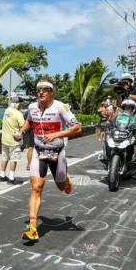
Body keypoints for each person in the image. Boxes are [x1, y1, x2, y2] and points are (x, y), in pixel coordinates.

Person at [19, 81, 82, 241]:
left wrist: (56, 135)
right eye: (38, 90)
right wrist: (21, 132)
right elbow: (28, 123)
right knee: (36, 187)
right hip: (39, 152)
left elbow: (77, 128)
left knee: (61, 187)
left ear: (52, 93)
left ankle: (66, 181)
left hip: (57, 152)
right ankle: (33, 228)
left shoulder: (61, 107)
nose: (41, 92)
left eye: (45, 90)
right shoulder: (32, 107)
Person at [0, 99, 25, 184]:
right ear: (17, 104)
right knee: (14, 159)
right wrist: (20, 136)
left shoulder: (7, 111)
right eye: (21, 105)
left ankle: (2, 176)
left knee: (4, 157)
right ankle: (11, 178)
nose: (21, 106)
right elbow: (23, 127)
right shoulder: (18, 114)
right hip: (14, 141)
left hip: (4, 139)